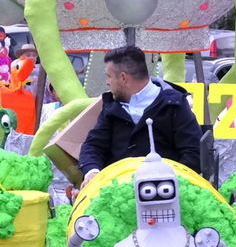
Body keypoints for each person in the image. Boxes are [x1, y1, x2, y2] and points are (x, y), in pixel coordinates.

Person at [78, 46, 203, 181]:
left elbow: (193, 153)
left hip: (167, 192)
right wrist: (92, 172)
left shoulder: (174, 104)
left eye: (109, 77)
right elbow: (93, 146)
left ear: (123, 78)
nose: (107, 82)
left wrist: (170, 182)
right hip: (116, 192)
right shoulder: (111, 108)